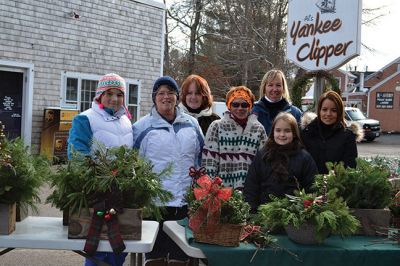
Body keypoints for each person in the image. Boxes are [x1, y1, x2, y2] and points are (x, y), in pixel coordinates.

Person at [132, 76, 203, 266]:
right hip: (155, 205)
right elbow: (132, 164)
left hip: (185, 203)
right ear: (154, 98)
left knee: (181, 259)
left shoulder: (192, 124)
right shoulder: (141, 127)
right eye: (161, 93)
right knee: (156, 259)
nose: (166, 97)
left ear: (177, 97)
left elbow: (201, 157)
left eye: (170, 93)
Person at [68, 73, 132, 266]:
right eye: (109, 93)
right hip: (97, 195)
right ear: (99, 96)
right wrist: (97, 182)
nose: (114, 99)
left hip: (121, 194)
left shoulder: (126, 121)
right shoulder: (86, 119)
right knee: (98, 250)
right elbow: (77, 155)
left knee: (119, 250)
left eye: (119, 94)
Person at [244, 112, 317, 213]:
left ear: (294, 133)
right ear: (273, 131)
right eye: (278, 130)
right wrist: (252, 212)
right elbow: (251, 186)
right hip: (264, 216)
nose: (282, 135)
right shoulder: (263, 155)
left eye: (287, 131)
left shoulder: (304, 158)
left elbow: (311, 187)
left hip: (294, 218)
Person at [202, 85, 267, 189]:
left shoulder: (258, 129)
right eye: (235, 104)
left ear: (250, 106)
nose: (240, 108)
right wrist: (209, 187)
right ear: (229, 105)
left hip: (251, 191)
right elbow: (209, 161)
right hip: (221, 191)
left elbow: (265, 163)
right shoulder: (217, 126)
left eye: (244, 104)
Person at [301, 90, 363, 174]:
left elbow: (350, 167)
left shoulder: (347, 136)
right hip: (310, 185)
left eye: (334, 110)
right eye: (324, 109)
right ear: (319, 111)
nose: (328, 114)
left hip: (335, 185)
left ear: (339, 112)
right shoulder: (307, 132)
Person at [252, 69, 302, 135]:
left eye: (278, 85)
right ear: (264, 87)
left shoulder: (295, 113)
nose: (275, 89)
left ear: (283, 88)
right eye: (270, 85)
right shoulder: (253, 110)